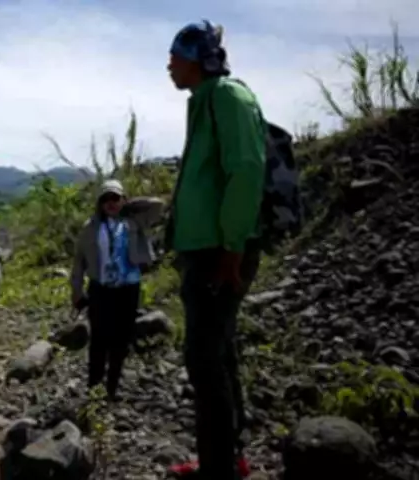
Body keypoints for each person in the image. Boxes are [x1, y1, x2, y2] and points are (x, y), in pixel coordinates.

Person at [164, 20, 266, 480]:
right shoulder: (204, 102)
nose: (168, 65)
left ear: (197, 59)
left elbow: (245, 172)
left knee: (204, 361)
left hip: (219, 253)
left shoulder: (227, 97)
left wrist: (232, 248)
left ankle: (219, 469)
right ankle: (226, 460)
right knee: (217, 355)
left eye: (175, 56)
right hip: (206, 251)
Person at [70, 179, 163, 402]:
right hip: (101, 289)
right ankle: (94, 389)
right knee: (99, 341)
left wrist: (129, 204)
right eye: (106, 199)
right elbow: (78, 262)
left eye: (115, 198)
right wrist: (76, 291)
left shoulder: (134, 221)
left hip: (128, 289)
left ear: (123, 200)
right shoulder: (90, 227)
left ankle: (112, 388)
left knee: (121, 340)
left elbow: (158, 205)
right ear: (99, 203)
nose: (111, 203)